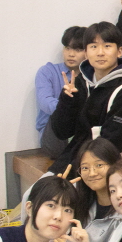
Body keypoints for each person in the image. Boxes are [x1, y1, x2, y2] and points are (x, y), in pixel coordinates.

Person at [47, 21, 122, 175]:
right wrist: (67, 101)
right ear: (86, 52)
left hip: (107, 170)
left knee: (50, 189)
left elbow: (112, 145)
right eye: (93, 46)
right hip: (73, 160)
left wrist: (77, 171)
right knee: (36, 190)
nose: (100, 53)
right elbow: (61, 132)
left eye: (107, 46)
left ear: (119, 51)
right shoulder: (80, 82)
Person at [54, 139, 122, 242]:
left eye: (99, 165)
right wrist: (57, 197)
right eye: (85, 168)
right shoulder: (78, 198)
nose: (92, 173)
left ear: (115, 165)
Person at [35, 26, 87, 158]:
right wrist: (68, 107)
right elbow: (45, 102)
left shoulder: (91, 75)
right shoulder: (47, 71)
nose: (71, 54)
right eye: (67, 48)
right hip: (53, 134)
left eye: (78, 49)